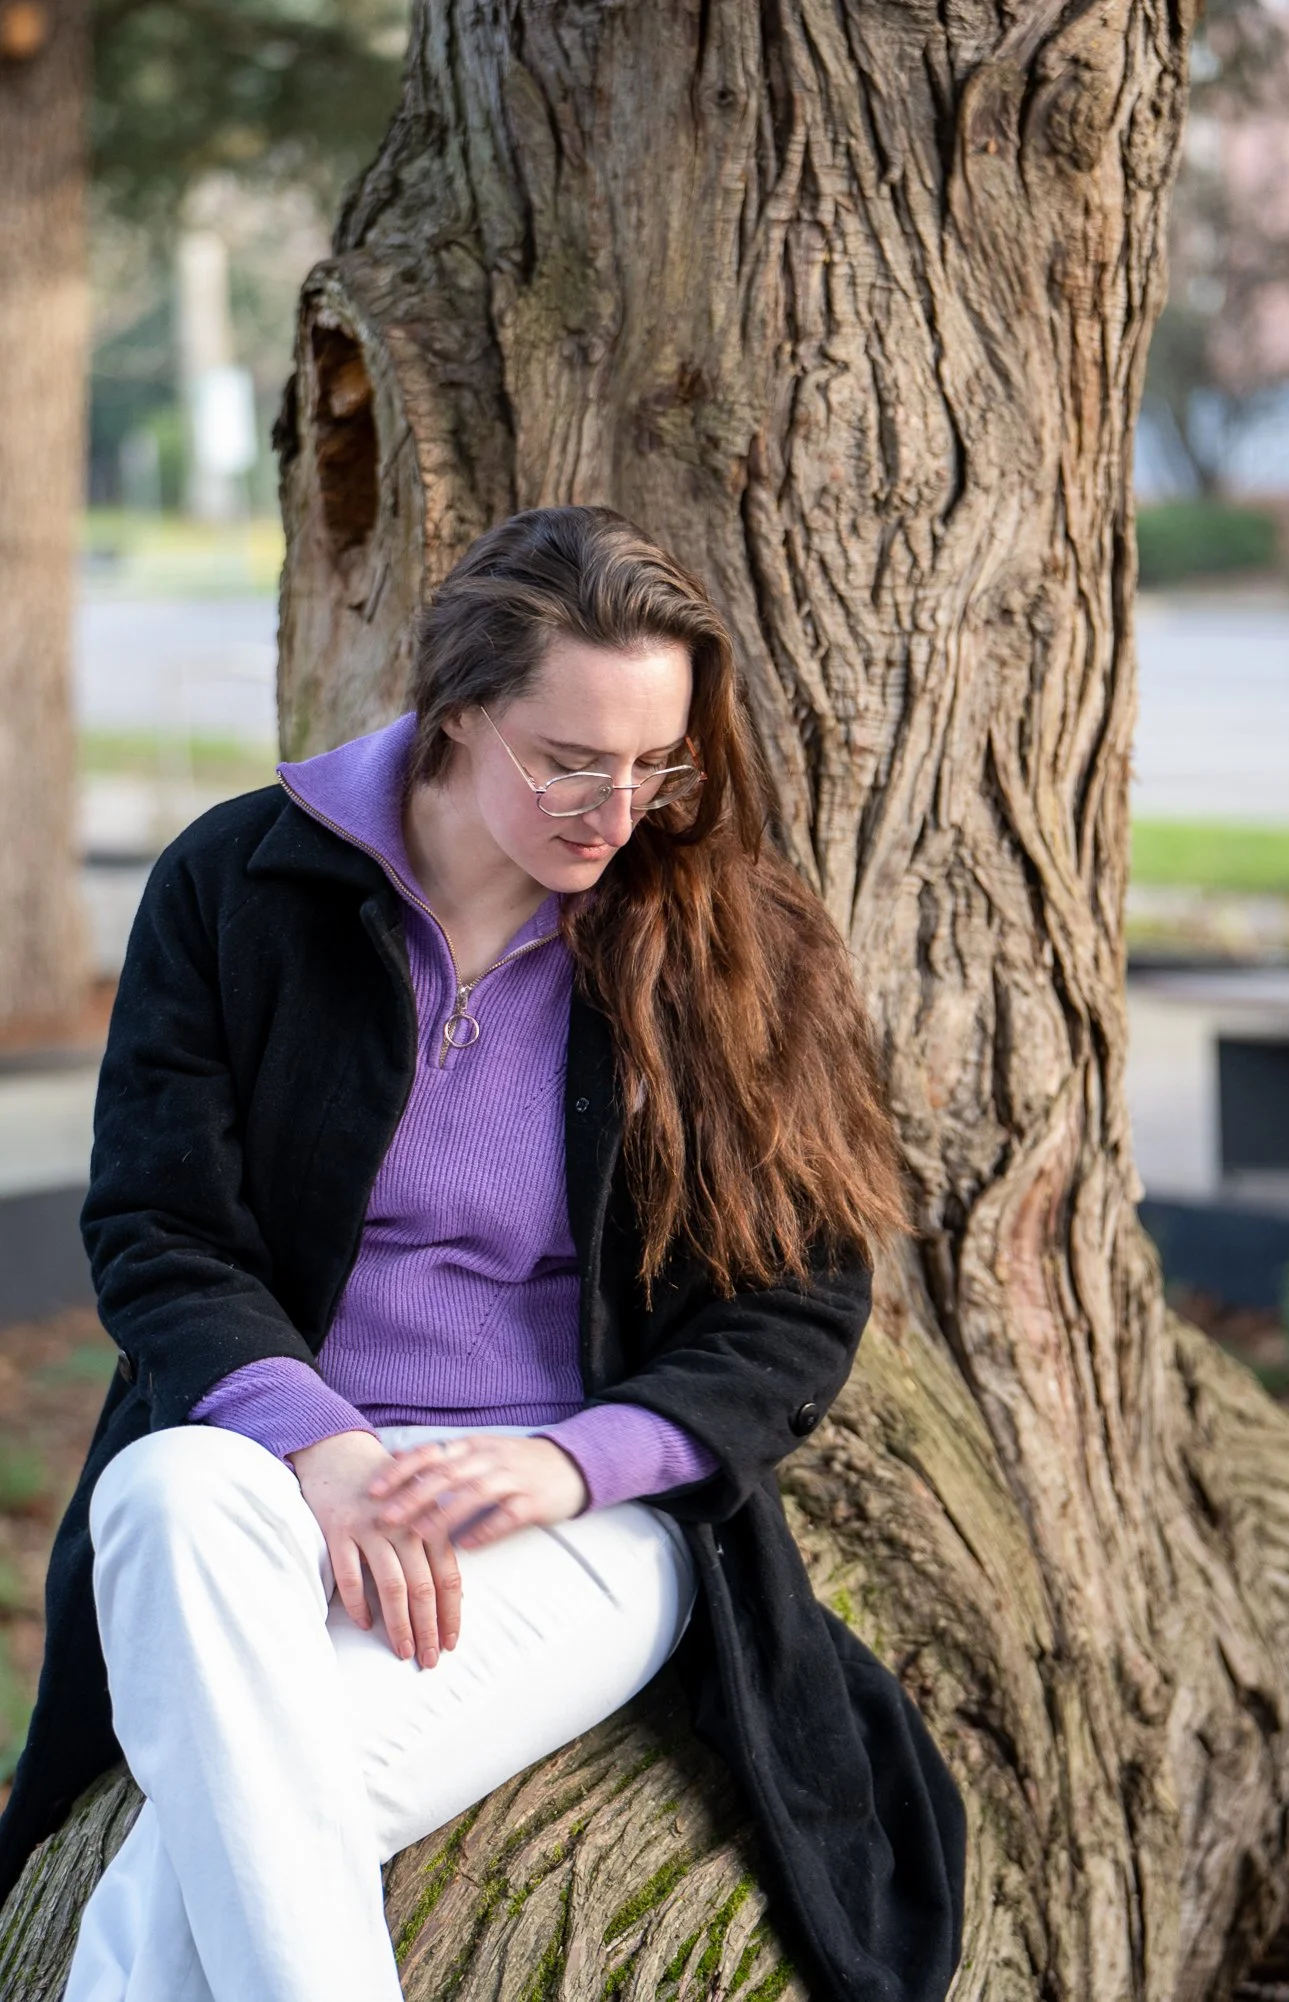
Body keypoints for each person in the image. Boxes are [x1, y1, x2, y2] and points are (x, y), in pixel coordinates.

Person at [0, 506, 966, 2001]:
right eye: (570, 759)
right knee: (160, 1483)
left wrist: (572, 1462)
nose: (618, 806)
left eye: (657, 762)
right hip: (279, 1480)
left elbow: (797, 1303)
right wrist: (318, 1449)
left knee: (222, 1823)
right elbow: (159, 1223)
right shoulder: (236, 885)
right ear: (454, 712)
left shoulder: (728, 939)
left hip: (577, 1521)